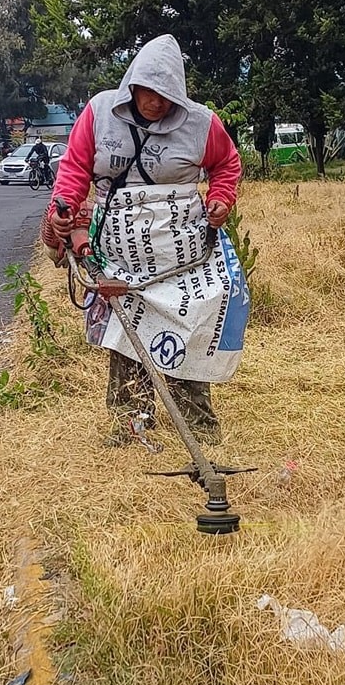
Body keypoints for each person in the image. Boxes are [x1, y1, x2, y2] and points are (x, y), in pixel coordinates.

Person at [43, 34, 249, 446]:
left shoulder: (201, 123)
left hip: (183, 256)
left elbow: (226, 164)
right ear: (132, 85)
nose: (156, 102)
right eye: (149, 93)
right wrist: (62, 209)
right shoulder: (99, 113)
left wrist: (222, 198)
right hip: (119, 250)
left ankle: (198, 427)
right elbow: (74, 170)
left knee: (187, 327)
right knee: (127, 330)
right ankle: (129, 427)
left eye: (166, 95)